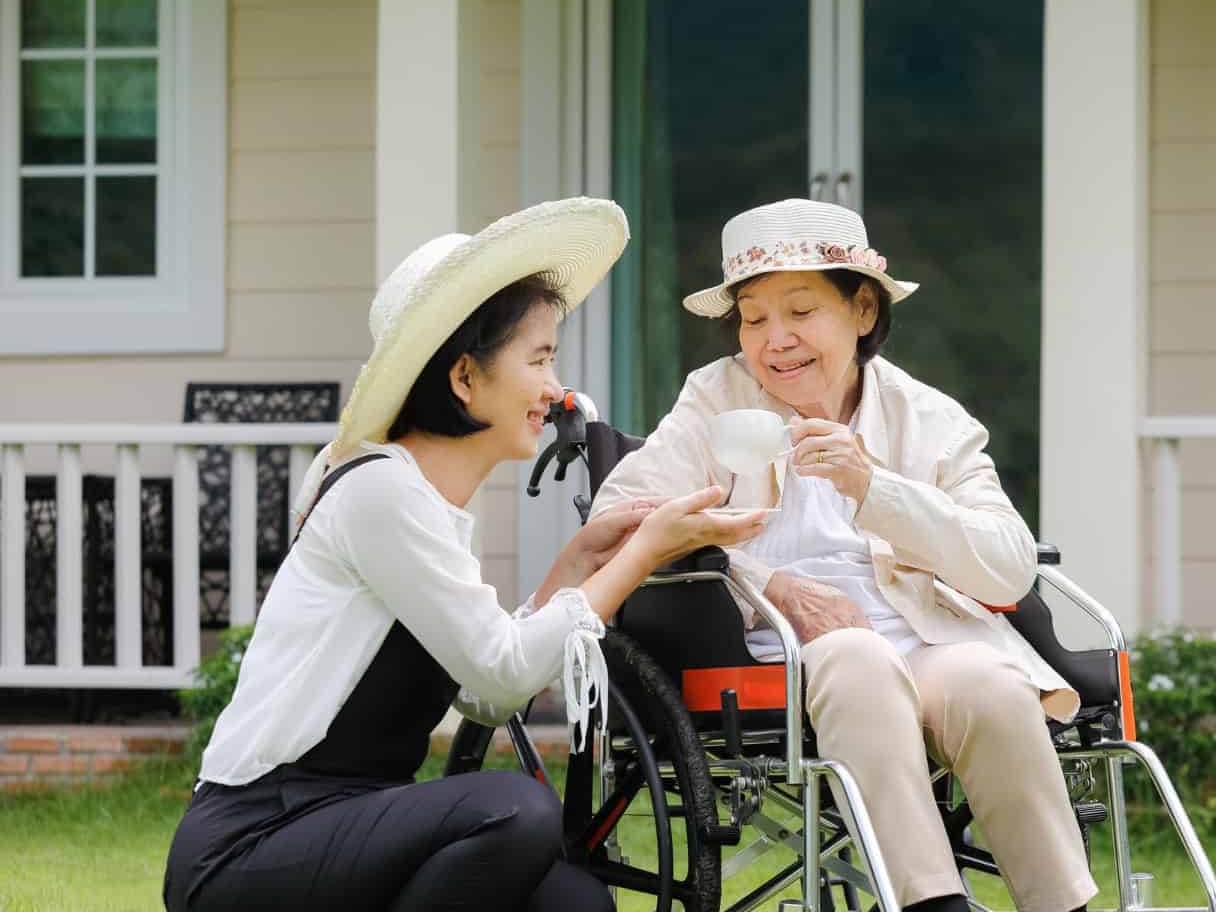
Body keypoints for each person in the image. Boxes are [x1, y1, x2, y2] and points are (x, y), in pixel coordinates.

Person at [162, 198, 766, 911]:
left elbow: (480, 691)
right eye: (539, 359)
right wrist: (641, 557)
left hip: (342, 823)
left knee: (575, 903)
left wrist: (573, 570)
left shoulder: (430, 508)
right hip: (254, 840)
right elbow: (505, 674)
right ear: (464, 377)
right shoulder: (382, 494)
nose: (555, 389)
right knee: (515, 813)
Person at [590, 199, 1098, 912]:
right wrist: (763, 582)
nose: (775, 340)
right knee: (858, 658)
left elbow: (1009, 566)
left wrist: (875, 488)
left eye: (800, 312)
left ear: (862, 311)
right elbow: (616, 523)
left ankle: (1062, 906)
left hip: (921, 639)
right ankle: (931, 904)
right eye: (754, 316)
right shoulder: (715, 402)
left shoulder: (928, 418)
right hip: (770, 650)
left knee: (988, 678)